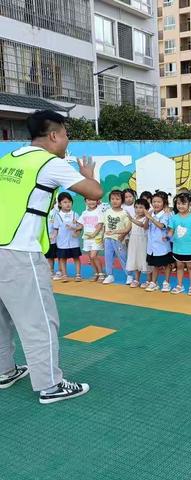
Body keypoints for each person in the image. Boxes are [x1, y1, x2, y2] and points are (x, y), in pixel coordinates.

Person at [0, 109, 102, 404]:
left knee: (1, 319)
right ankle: (50, 385)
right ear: (54, 135)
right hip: (19, 252)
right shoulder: (49, 163)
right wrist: (88, 176)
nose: (67, 140)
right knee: (39, 320)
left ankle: (5, 371)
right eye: (66, 134)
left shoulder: (8, 160)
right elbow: (95, 192)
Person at [168, 192, 191, 295]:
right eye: (178, 203)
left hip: (190, 249)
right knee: (179, 266)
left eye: (183, 203)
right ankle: (180, 285)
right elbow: (171, 231)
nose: (180, 206)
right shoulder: (174, 217)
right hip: (177, 248)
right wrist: (167, 236)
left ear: (190, 205)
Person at [100, 190, 132, 285]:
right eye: (112, 199)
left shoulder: (124, 213)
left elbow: (128, 227)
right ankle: (110, 275)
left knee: (123, 257)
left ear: (122, 200)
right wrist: (103, 237)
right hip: (108, 238)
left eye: (117, 199)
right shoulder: (107, 211)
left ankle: (129, 275)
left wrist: (122, 236)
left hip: (119, 239)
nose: (114, 201)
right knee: (108, 257)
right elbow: (104, 225)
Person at [144, 191, 173, 292]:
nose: (156, 204)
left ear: (164, 203)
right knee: (155, 265)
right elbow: (145, 227)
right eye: (154, 201)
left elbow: (162, 226)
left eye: (159, 202)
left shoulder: (166, 215)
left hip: (163, 246)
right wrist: (148, 217)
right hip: (152, 246)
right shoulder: (151, 213)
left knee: (166, 265)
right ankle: (154, 282)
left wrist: (150, 217)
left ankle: (166, 283)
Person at [51, 192, 82, 282]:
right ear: (60, 204)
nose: (67, 204)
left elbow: (80, 227)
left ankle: (78, 274)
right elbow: (56, 229)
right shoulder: (57, 216)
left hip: (74, 242)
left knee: (76, 257)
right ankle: (64, 275)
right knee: (62, 258)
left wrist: (77, 232)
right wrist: (53, 236)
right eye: (65, 202)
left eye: (69, 202)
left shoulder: (75, 214)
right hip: (62, 242)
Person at [78, 198, 105, 282]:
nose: (91, 202)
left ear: (97, 201)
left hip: (97, 238)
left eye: (93, 200)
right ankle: (96, 273)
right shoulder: (84, 213)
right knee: (90, 257)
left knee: (93, 255)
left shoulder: (99, 211)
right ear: (85, 201)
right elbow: (81, 225)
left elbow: (100, 225)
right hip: (87, 238)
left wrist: (94, 234)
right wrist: (74, 228)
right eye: (89, 200)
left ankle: (101, 274)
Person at [125, 199, 149, 288]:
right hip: (133, 241)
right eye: (136, 207)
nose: (138, 209)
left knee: (144, 260)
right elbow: (128, 229)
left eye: (141, 207)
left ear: (146, 209)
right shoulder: (134, 217)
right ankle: (137, 279)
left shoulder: (146, 218)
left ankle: (148, 280)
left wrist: (131, 219)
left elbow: (142, 225)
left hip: (143, 242)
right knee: (135, 259)